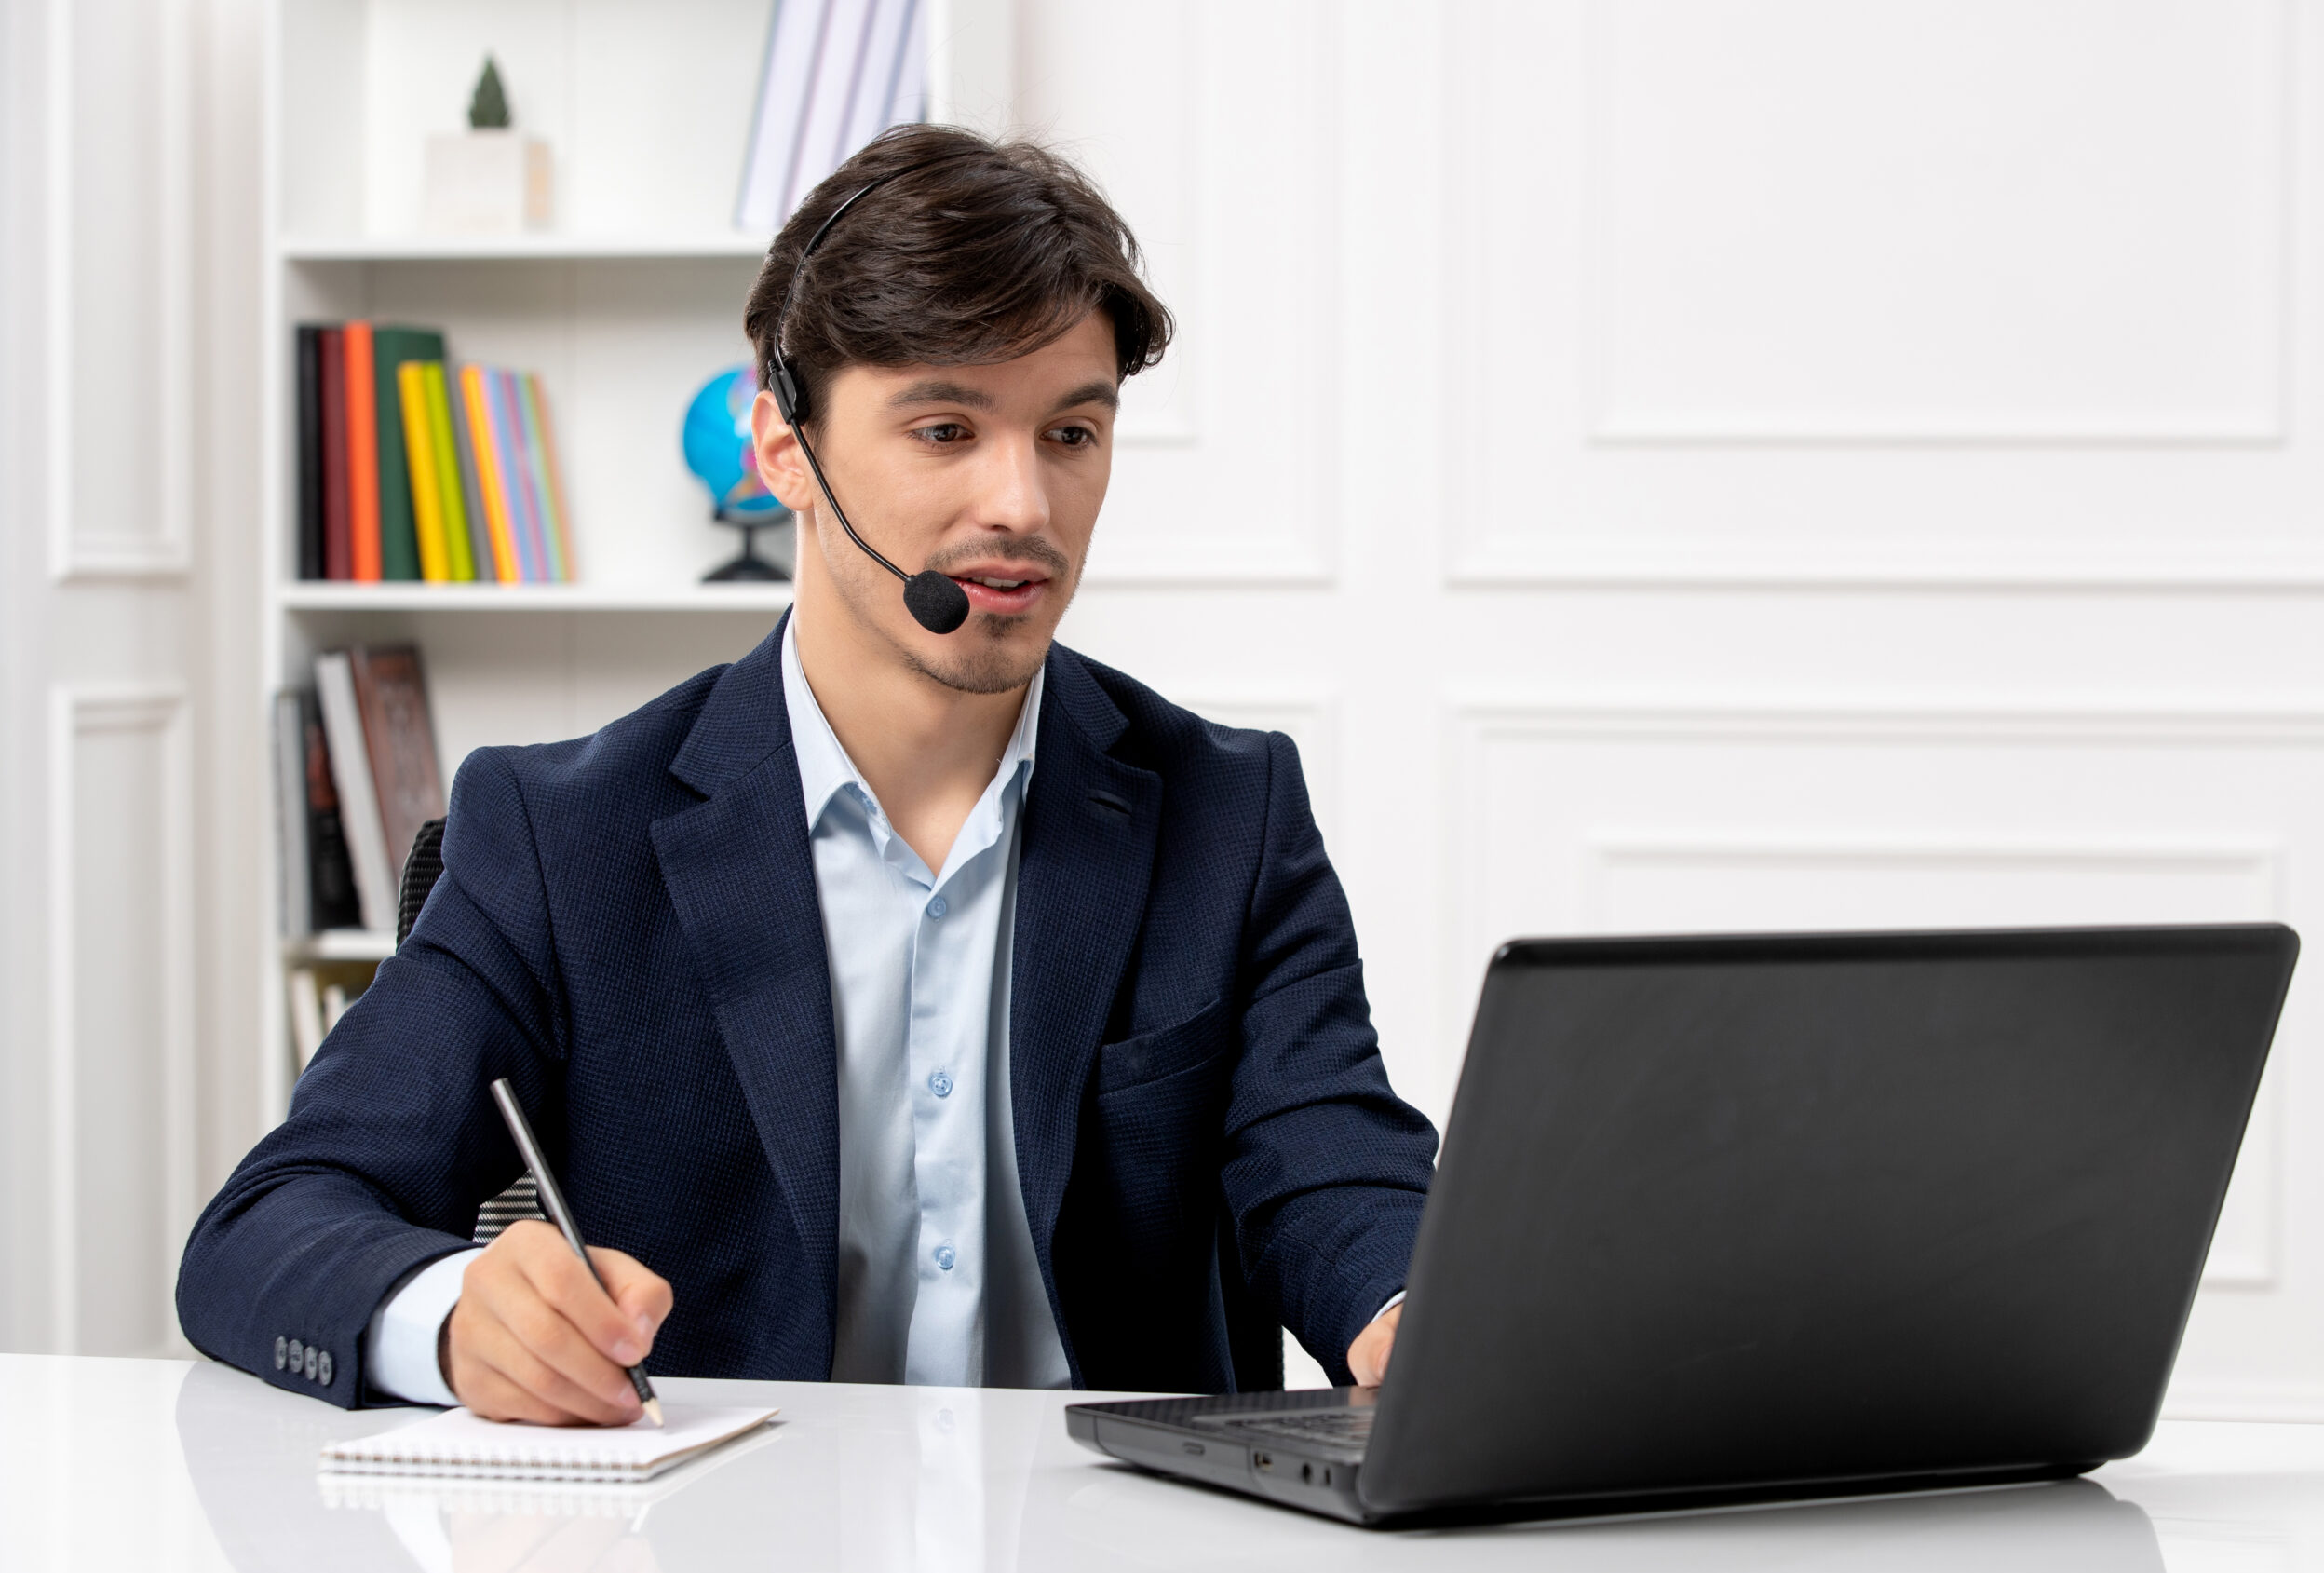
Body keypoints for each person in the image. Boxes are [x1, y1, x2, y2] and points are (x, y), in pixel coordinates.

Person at [177, 125, 1437, 1424]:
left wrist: (1412, 1318)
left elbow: (1332, 1167)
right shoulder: (562, 835)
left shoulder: (1230, 813)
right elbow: (270, 1224)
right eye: (945, 428)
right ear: (786, 450)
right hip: (715, 1542)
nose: (1025, 505)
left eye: (1071, 433)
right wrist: (449, 1321)